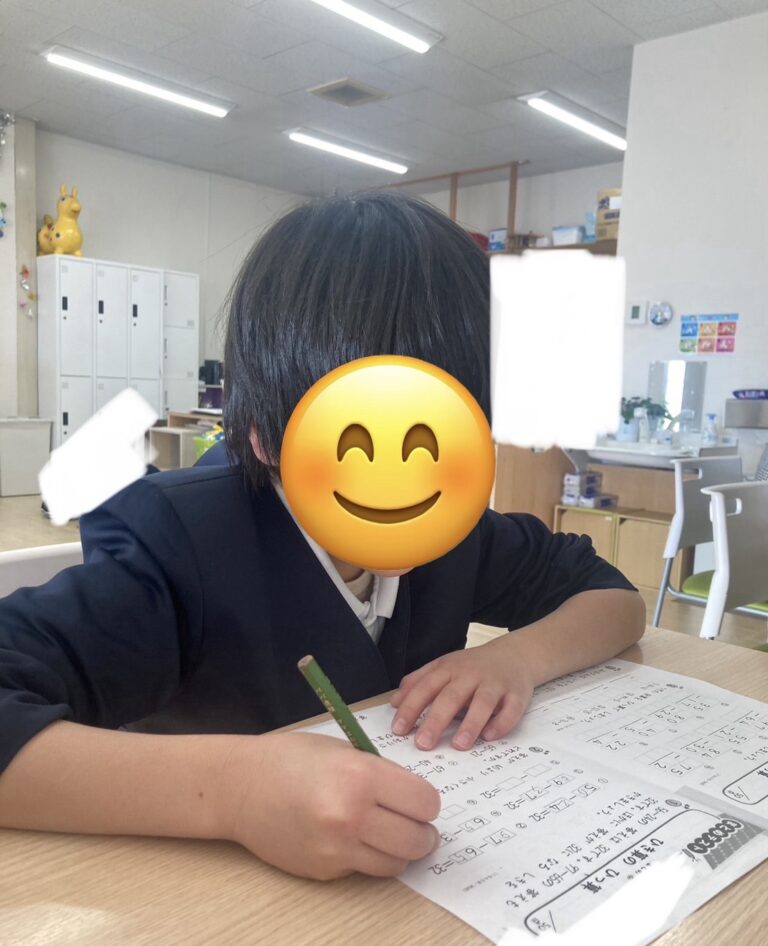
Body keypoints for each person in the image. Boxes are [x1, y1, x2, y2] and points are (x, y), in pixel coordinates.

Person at [0, 192, 645, 881]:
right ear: (261, 435)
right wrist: (235, 791)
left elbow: (613, 597)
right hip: (206, 906)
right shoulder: (177, 544)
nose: (398, 478)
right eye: (357, 438)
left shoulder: (454, 535)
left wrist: (516, 659)